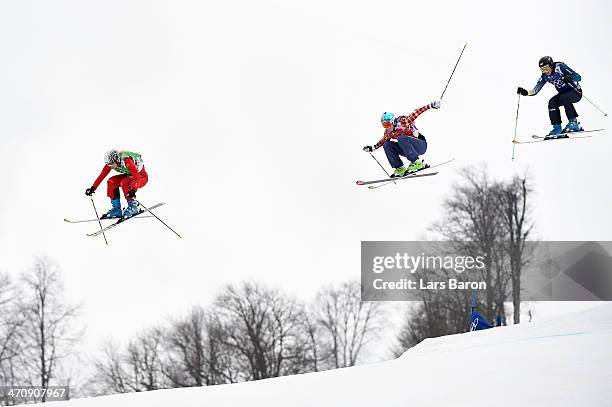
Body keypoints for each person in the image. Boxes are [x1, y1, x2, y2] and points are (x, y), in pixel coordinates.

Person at [363, 101, 440, 177]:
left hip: (420, 146)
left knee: (401, 138)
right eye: (384, 125)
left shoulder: (403, 122)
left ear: (392, 121)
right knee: (387, 144)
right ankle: (400, 168)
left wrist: (430, 105)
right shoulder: (388, 133)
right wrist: (372, 148)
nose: (387, 127)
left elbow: (417, 113)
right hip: (408, 150)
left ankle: (417, 163)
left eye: (387, 124)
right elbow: (382, 142)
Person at [517, 56, 583, 138]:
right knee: (552, 102)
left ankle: (574, 123)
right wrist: (525, 92)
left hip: (575, 92)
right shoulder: (544, 76)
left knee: (564, 97)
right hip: (563, 94)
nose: (545, 71)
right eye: (542, 69)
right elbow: (535, 90)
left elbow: (578, 77)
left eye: (546, 68)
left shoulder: (560, 67)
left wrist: (569, 77)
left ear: (551, 65)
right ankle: (557, 128)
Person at [85, 150, 148, 219]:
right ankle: (117, 209)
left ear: (116, 160)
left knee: (125, 182)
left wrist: (133, 191)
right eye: (108, 163)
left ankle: (134, 207)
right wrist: (93, 188)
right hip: (130, 177)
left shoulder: (127, 161)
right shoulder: (111, 164)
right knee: (111, 181)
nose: (110, 166)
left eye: (111, 164)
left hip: (141, 178)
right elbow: (102, 176)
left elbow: (137, 177)